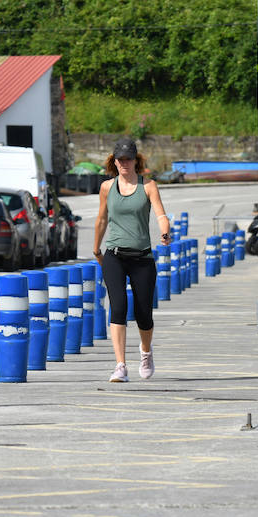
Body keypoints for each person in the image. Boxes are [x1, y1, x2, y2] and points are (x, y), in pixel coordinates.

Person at [93, 139, 171, 383]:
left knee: (143, 313)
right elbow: (102, 220)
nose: (124, 163)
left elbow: (160, 214)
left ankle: (145, 353)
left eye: (128, 159)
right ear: (114, 161)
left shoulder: (148, 186)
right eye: (120, 159)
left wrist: (166, 232)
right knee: (117, 307)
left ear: (136, 160)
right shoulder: (107, 187)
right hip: (114, 255)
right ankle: (120, 365)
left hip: (142, 257)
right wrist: (96, 249)